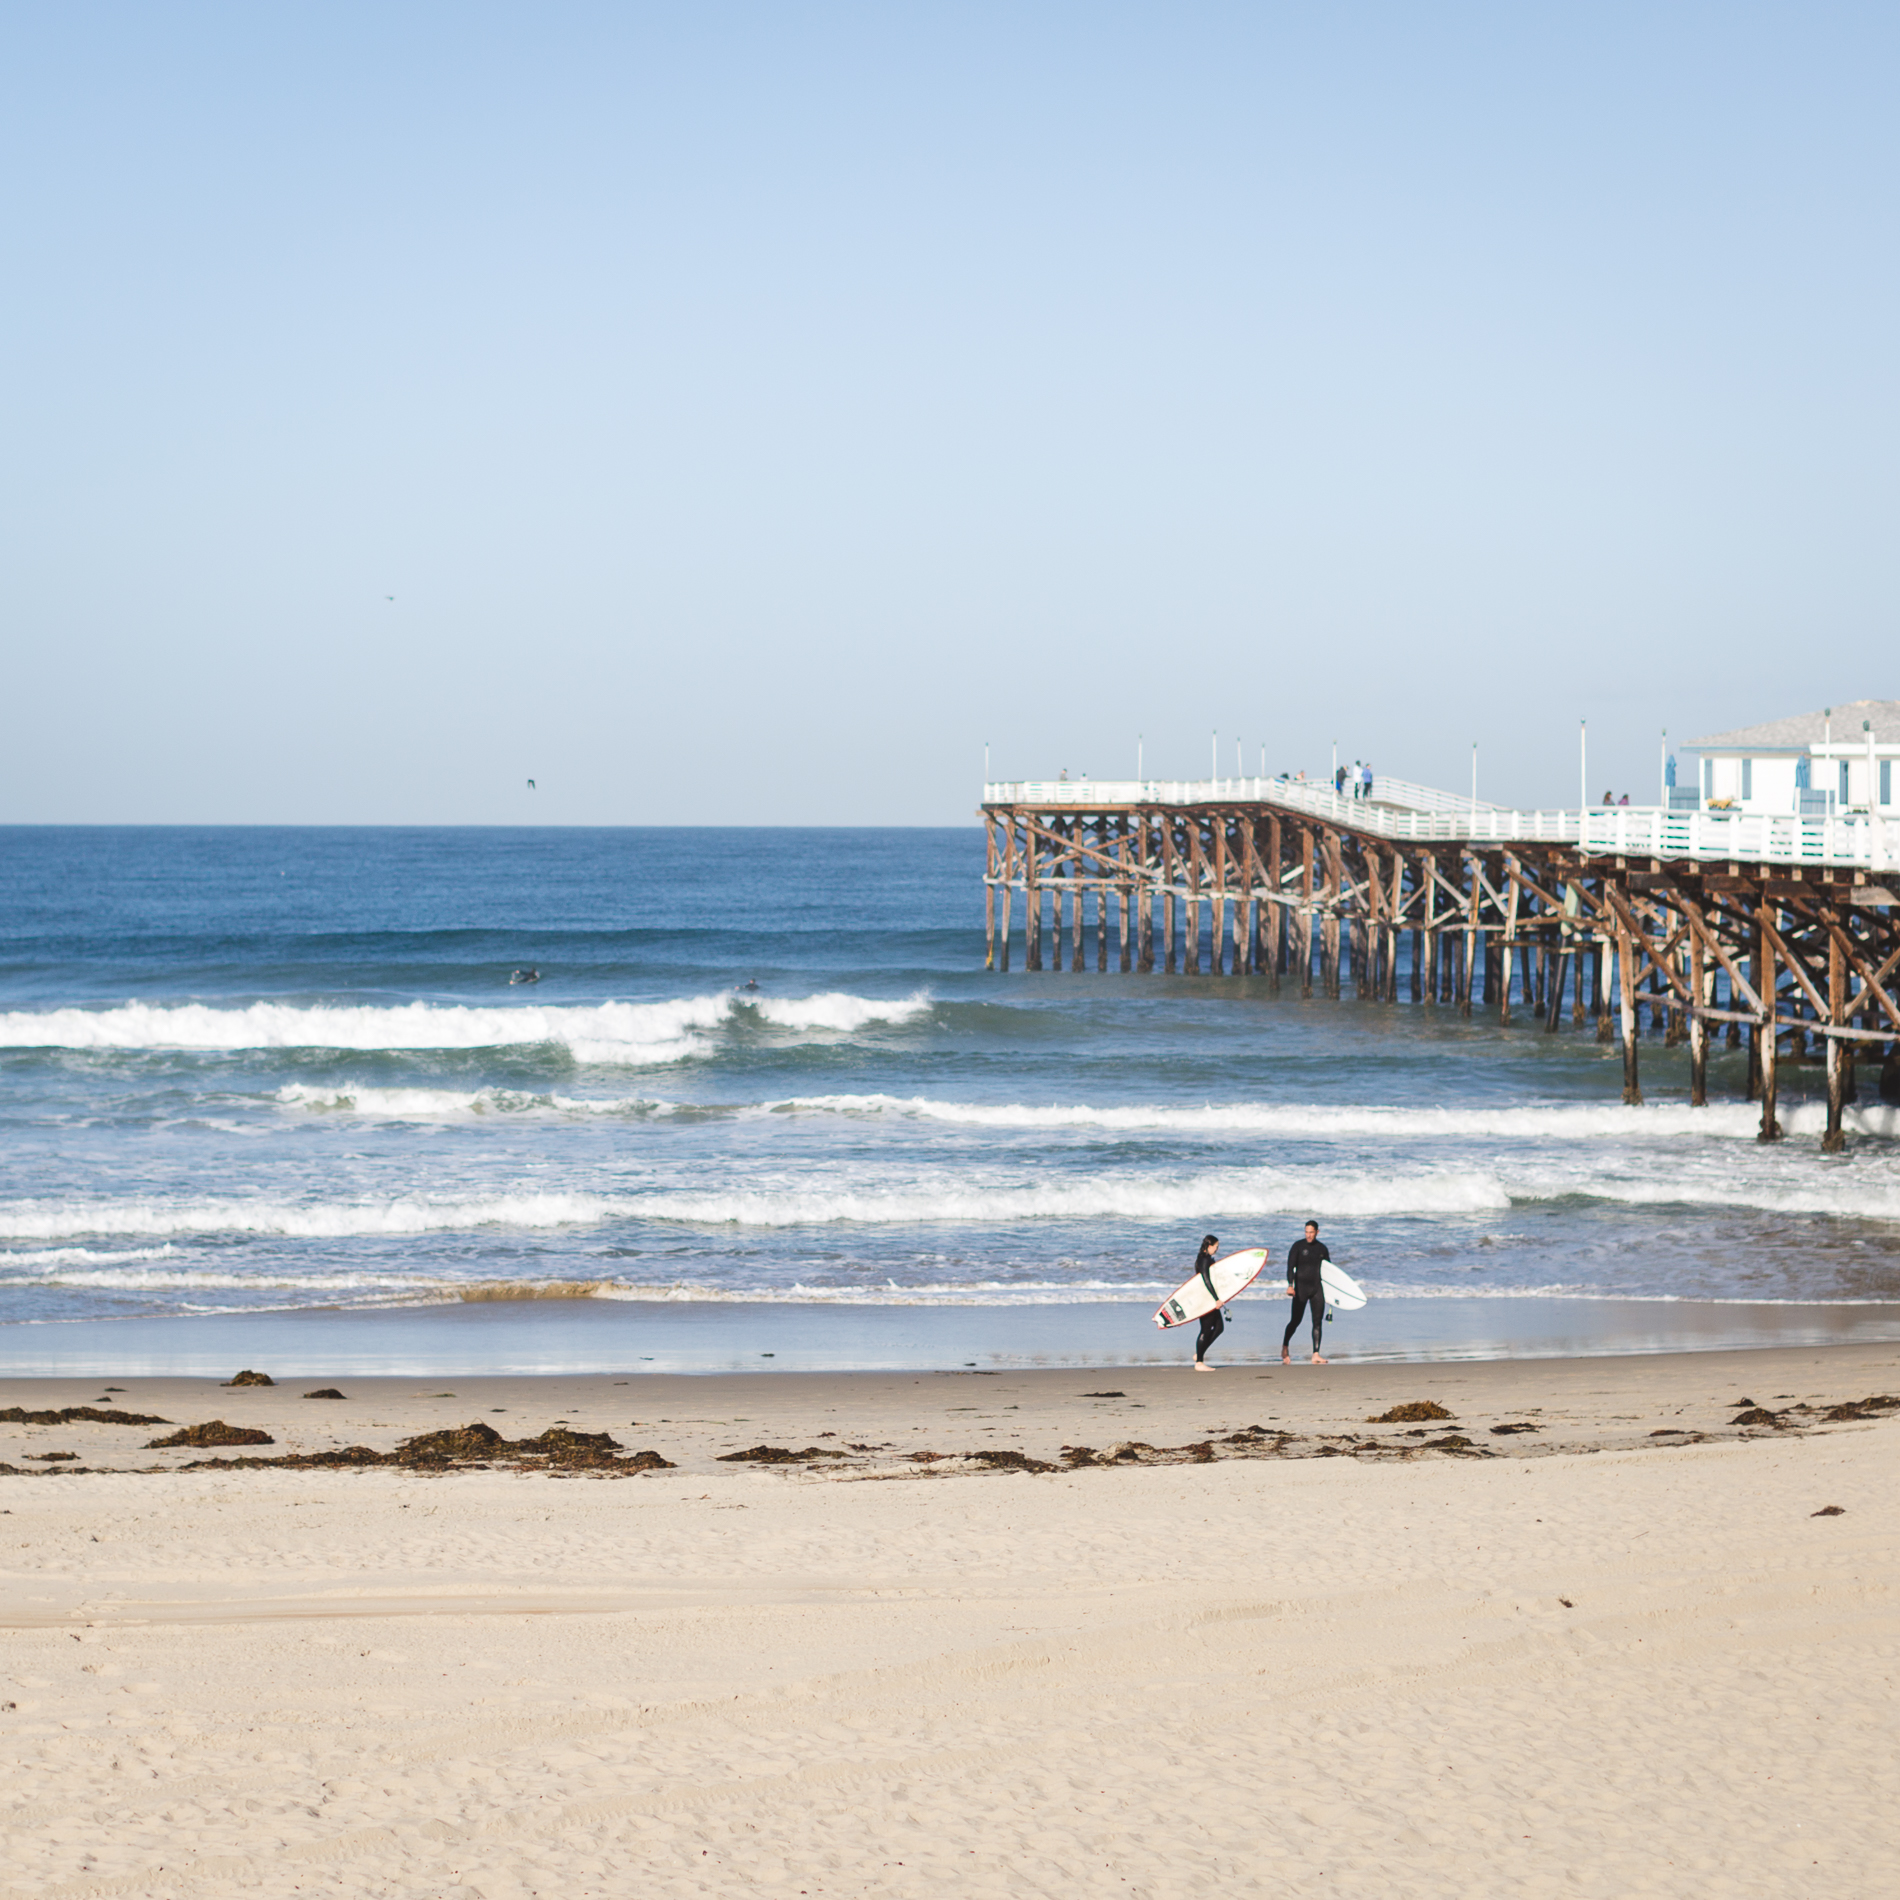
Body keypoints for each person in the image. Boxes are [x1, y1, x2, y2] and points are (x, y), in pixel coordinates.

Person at [1282, 1220, 1330, 1365]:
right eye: (1306, 1232)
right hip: (1300, 1289)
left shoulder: (1322, 1248)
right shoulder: (1298, 1246)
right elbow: (1290, 1267)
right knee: (1295, 1321)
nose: (1308, 1235)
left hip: (1317, 1288)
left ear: (1317, 1232)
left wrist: (1332, 1293)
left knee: (1317, 1322)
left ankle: (1316, 1353)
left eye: (1311, 1232)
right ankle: (1285, 1346)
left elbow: (1329, 1271)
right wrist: (1290, 1285)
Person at [1190, 1233, 1225, 1371]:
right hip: (1205, 1299)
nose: (1217, 1249)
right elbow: (1206, 1280)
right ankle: (1199, 1362)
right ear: (1209, 1246)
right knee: (1205, 1329)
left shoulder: (1206, 1258)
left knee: (1219, 1328)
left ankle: (1199, 1353)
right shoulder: (1204, 1260)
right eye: (1216, 1246)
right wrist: (1216, 1299)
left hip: (1209, 1297)